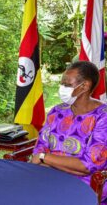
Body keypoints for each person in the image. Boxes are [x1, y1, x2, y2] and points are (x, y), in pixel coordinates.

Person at [32, 61, 107, 203]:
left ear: (84, 86)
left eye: (67, 84)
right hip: (49, 177)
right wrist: (45, 158)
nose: (61, 88)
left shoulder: (103, 117)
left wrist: (45, 158)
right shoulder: (57, 111)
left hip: (86, 186)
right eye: (62, 83)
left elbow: (87, 166)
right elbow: (40, 147)